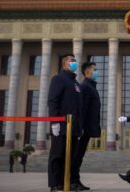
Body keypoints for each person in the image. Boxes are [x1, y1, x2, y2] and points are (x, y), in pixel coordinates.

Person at [48, 54, 83, 192]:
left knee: (69, 157)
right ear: (64, 64)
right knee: (57, 155)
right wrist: (54, 122)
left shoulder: (76, 84)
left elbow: (79, 108)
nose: (74, 63)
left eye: (75, 61)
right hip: (61, 126)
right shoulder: (58, 79)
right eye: (72, 61)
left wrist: (80, 127)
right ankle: (55, 184)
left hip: (73, 128)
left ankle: (65, 183)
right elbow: (52, 101)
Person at [72, 61, 102, 191]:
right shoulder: (85, 87)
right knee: (77, 155)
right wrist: (80, 127)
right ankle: (73, 181)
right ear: (88, 72)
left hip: (87, 128)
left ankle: (76, 180)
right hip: (83, 129)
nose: (96, 72)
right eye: (94, 70)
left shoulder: (91, 87)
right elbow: (81, 109)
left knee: (79, 156)